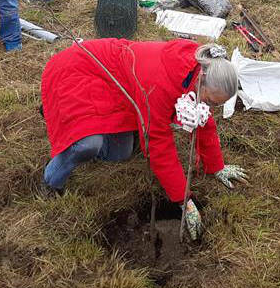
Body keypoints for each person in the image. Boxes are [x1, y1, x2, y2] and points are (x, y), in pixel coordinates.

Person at [40, 39, 248, 241]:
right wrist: (185, 200)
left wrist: (216, 167)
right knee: (88, 145)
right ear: (201, 79)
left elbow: (204, 121)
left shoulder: (201, 71)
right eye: (210, 100)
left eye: (216, 104)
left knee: (122, 152)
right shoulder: (161, 84)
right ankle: (52, 180)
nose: (210, 107)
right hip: (78, 70)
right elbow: (159, 146)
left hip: (118, 84)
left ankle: (96, 127)